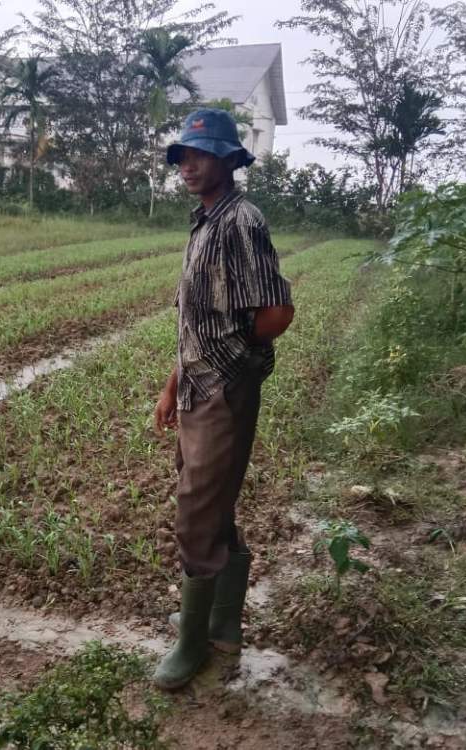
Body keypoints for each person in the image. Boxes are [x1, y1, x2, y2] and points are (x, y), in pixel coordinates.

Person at [152, 109, 295, 690]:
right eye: (182, 155)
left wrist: (230, 369)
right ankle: (222, 624)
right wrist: (172, 386)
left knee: (195, 512)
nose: (188, 164)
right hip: (196, 385)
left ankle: (192, 645)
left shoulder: (242, 221)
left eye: (200, 154)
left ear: (229, 160)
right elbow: (198, 320)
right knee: (214, 504)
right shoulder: (205, 221)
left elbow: (276, 313)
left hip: (221, 390)